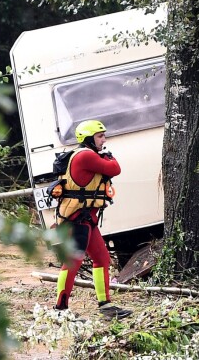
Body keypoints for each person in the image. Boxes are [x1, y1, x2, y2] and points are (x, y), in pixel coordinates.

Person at [54, 119, 132, 319]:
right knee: (73, 261)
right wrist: (109, 157)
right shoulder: (86, 156)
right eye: (100, 136)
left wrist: (105, 155)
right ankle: (60, 309)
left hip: (87, 218)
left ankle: (105, 305)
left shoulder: (90, 154)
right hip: (77, 218)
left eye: (103, 135)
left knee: (102, 259)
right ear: (88, 139)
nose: (103, 139)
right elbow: (114, 168)